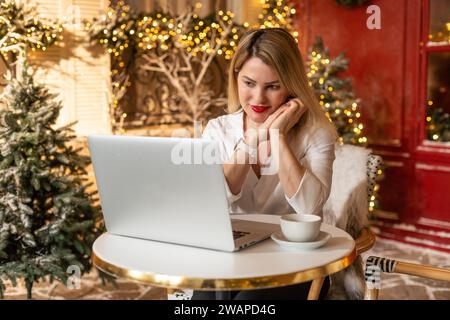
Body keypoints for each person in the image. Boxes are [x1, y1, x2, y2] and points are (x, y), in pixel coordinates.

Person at [192, 28, 338, 300]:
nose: (258, 99)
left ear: (291, 85)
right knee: (204, 300)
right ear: (236, 78)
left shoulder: (316, 133)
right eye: (249, 83)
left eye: (272, 86)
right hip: (232, 260)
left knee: (246, 303)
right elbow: (210, 203)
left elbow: (309, 207)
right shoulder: (217, 130)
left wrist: (277, 136)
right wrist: (252, 141)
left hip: (296, 265)